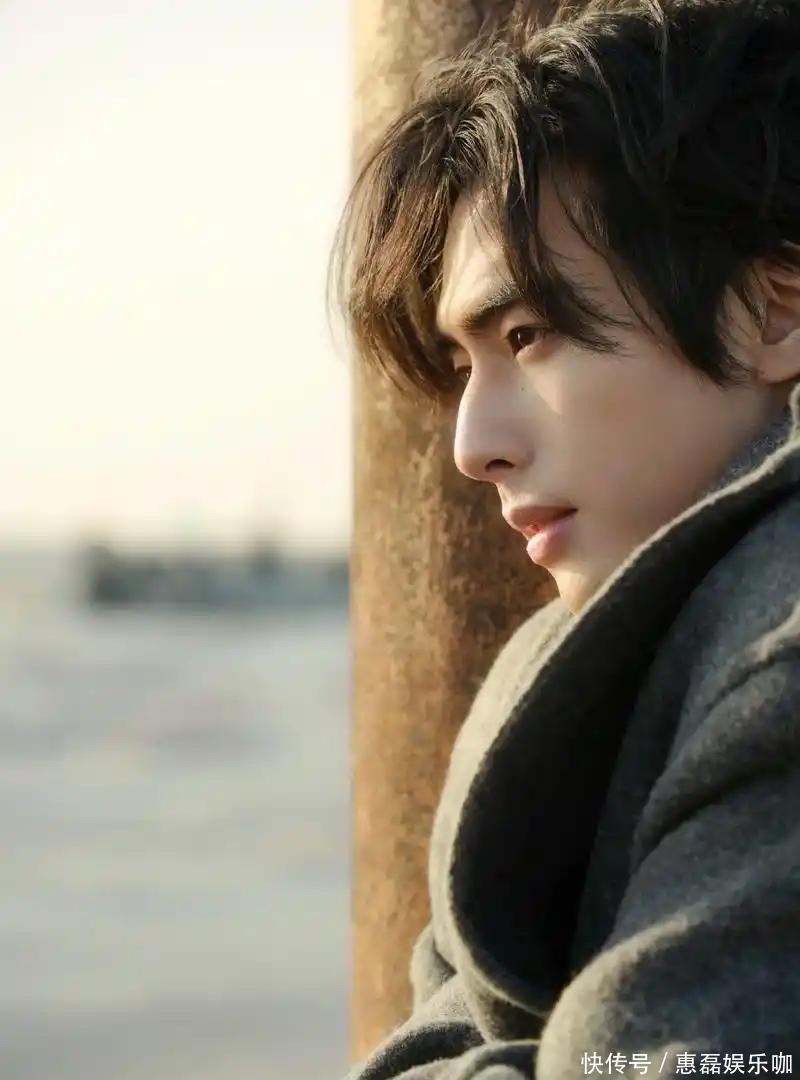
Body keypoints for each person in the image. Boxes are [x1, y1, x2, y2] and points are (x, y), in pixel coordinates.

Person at [328, 0, 800, 1074]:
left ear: (773, 312)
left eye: (529, 335)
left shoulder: (779, 656)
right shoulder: (554, 670)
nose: (472, 447)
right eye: (464, 365)